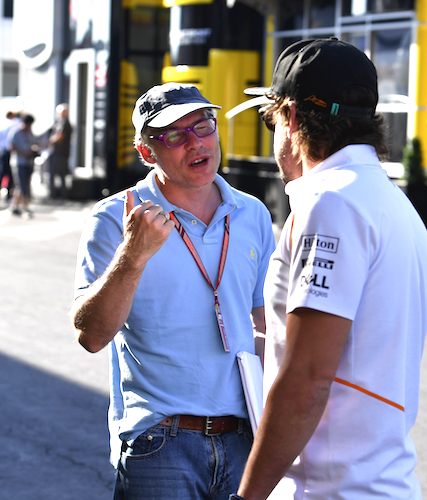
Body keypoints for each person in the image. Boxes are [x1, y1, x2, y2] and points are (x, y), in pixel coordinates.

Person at [231, 38, 427, 500]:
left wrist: (246, 497)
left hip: (332, 488)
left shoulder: (332, 203)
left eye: (271, 121)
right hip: (376, 481)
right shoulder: (390, 201)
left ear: (293, 117)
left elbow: (307, 380)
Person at [70, 82, 275, 500]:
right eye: (175, 136)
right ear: (147, 152)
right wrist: (133, 254)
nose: (196, 144)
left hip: (243, 436)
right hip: (161, 442)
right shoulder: (117, 216)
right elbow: (91, 335)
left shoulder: (251, 213)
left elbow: (266, 323)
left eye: (203, 127)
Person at [7, 113, 38, 217]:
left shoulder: (29, 132)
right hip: (19, 162)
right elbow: (11, 146)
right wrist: (24, 153)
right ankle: (25, 206)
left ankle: (14, 206)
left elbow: (33, 142)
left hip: (28, 162)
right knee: (22, 184)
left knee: (22, 185)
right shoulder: (16, 132)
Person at [0, 110, 18, 204]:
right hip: (9, 150)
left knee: (0, 173)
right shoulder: (13, 124)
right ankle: (8, 196)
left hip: (0, 150)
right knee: (9, 173)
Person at [48, 103, 72, 200]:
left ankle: (57, 194)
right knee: (59, 174)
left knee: (57, 173)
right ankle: (59, 194)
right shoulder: (59, 123)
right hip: (58, 153)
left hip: (60, 153)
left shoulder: (65, 124)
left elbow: (60, 136)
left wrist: (50, 140)